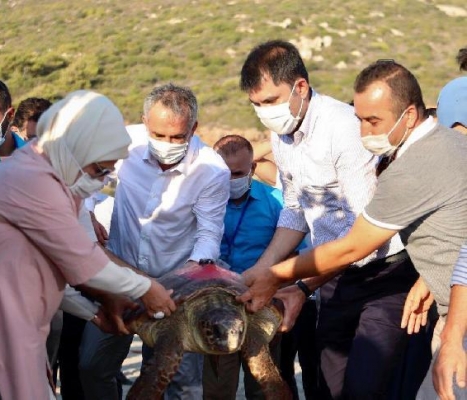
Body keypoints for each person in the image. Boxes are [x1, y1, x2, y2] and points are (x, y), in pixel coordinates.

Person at [238, 60, 467, 400]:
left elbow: (354, 245)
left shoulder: (409, 169)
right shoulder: (450, 144)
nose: (363, 133)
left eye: (373, 121)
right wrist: (429, 280)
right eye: (360, 120)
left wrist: (278, 277)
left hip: (387, 279)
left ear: (407, 116)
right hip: (345, 283)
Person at [0, 90, 176, 400]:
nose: (100, 181)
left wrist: (96, 312)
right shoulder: (32, 180)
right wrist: (148, 289)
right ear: (76, 149)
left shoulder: (62, 179)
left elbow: (64, 268)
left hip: (18, 321)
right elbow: (83, 262)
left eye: (107, 172)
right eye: (98, 170)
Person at [79, 83, 230, 400]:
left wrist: (186, 283)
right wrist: (89, 214)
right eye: (159, 135)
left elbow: (208, 232)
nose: (168, 144)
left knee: (176, 377)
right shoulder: (123, 144)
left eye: (178, 137)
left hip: (174, 286)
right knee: (93, 366)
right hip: (118, 276)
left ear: (194, 129)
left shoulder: (212, 169)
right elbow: (86, 183)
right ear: (144, 123)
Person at [201, 134, 284, 399]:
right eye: (223, 173)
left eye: (237, 173)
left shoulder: (277, 202)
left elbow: (295, 252)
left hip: (262, 306)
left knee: (263, 387)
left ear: (253, 168)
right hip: (215, 309)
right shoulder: (201, 202)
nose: (230, 180)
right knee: (217, 388)